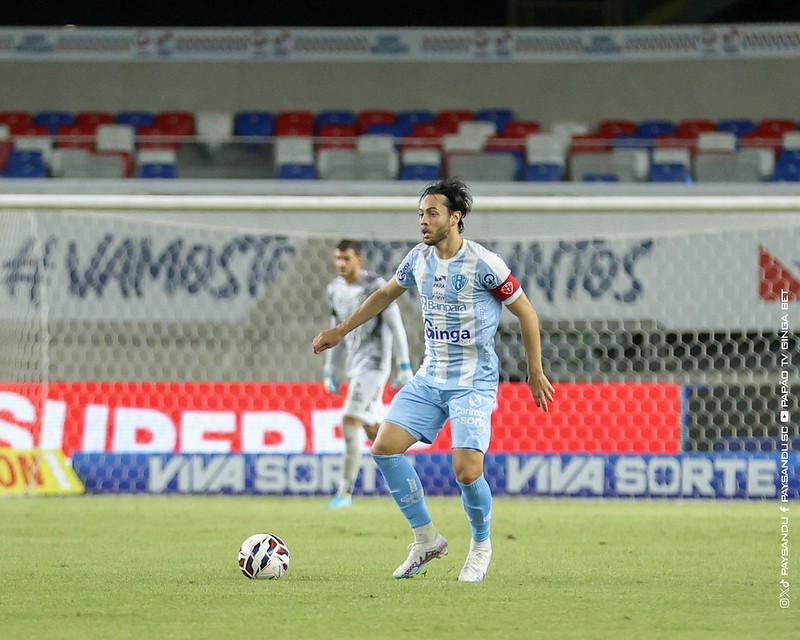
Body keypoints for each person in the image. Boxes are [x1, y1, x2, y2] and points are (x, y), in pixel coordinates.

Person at [313, 178, 554, 582]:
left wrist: (535, 371)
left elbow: (526, 312)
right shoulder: (418, 259)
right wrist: (342, 329)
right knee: (384, 447)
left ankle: (481, 545)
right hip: (431, 377)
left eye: (432, 213)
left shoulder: (485, 264)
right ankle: (426, 538)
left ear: (455, 218)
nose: (423, 221)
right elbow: (385, 294)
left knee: (466, 471)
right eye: (421, 214)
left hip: (473, 382)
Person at [322, 239, 413, 510]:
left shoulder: (376, 286)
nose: (341, 264)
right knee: (376, 433)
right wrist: (330, 368)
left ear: (359, 260)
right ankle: (408, 484)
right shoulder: (334, 289)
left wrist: (404, 365)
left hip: (374, 365)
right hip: (354, 366)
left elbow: (396, 327)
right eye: (337, 258)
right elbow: (335, 329)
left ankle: (344, 493)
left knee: (349, 420)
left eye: (346, 259)